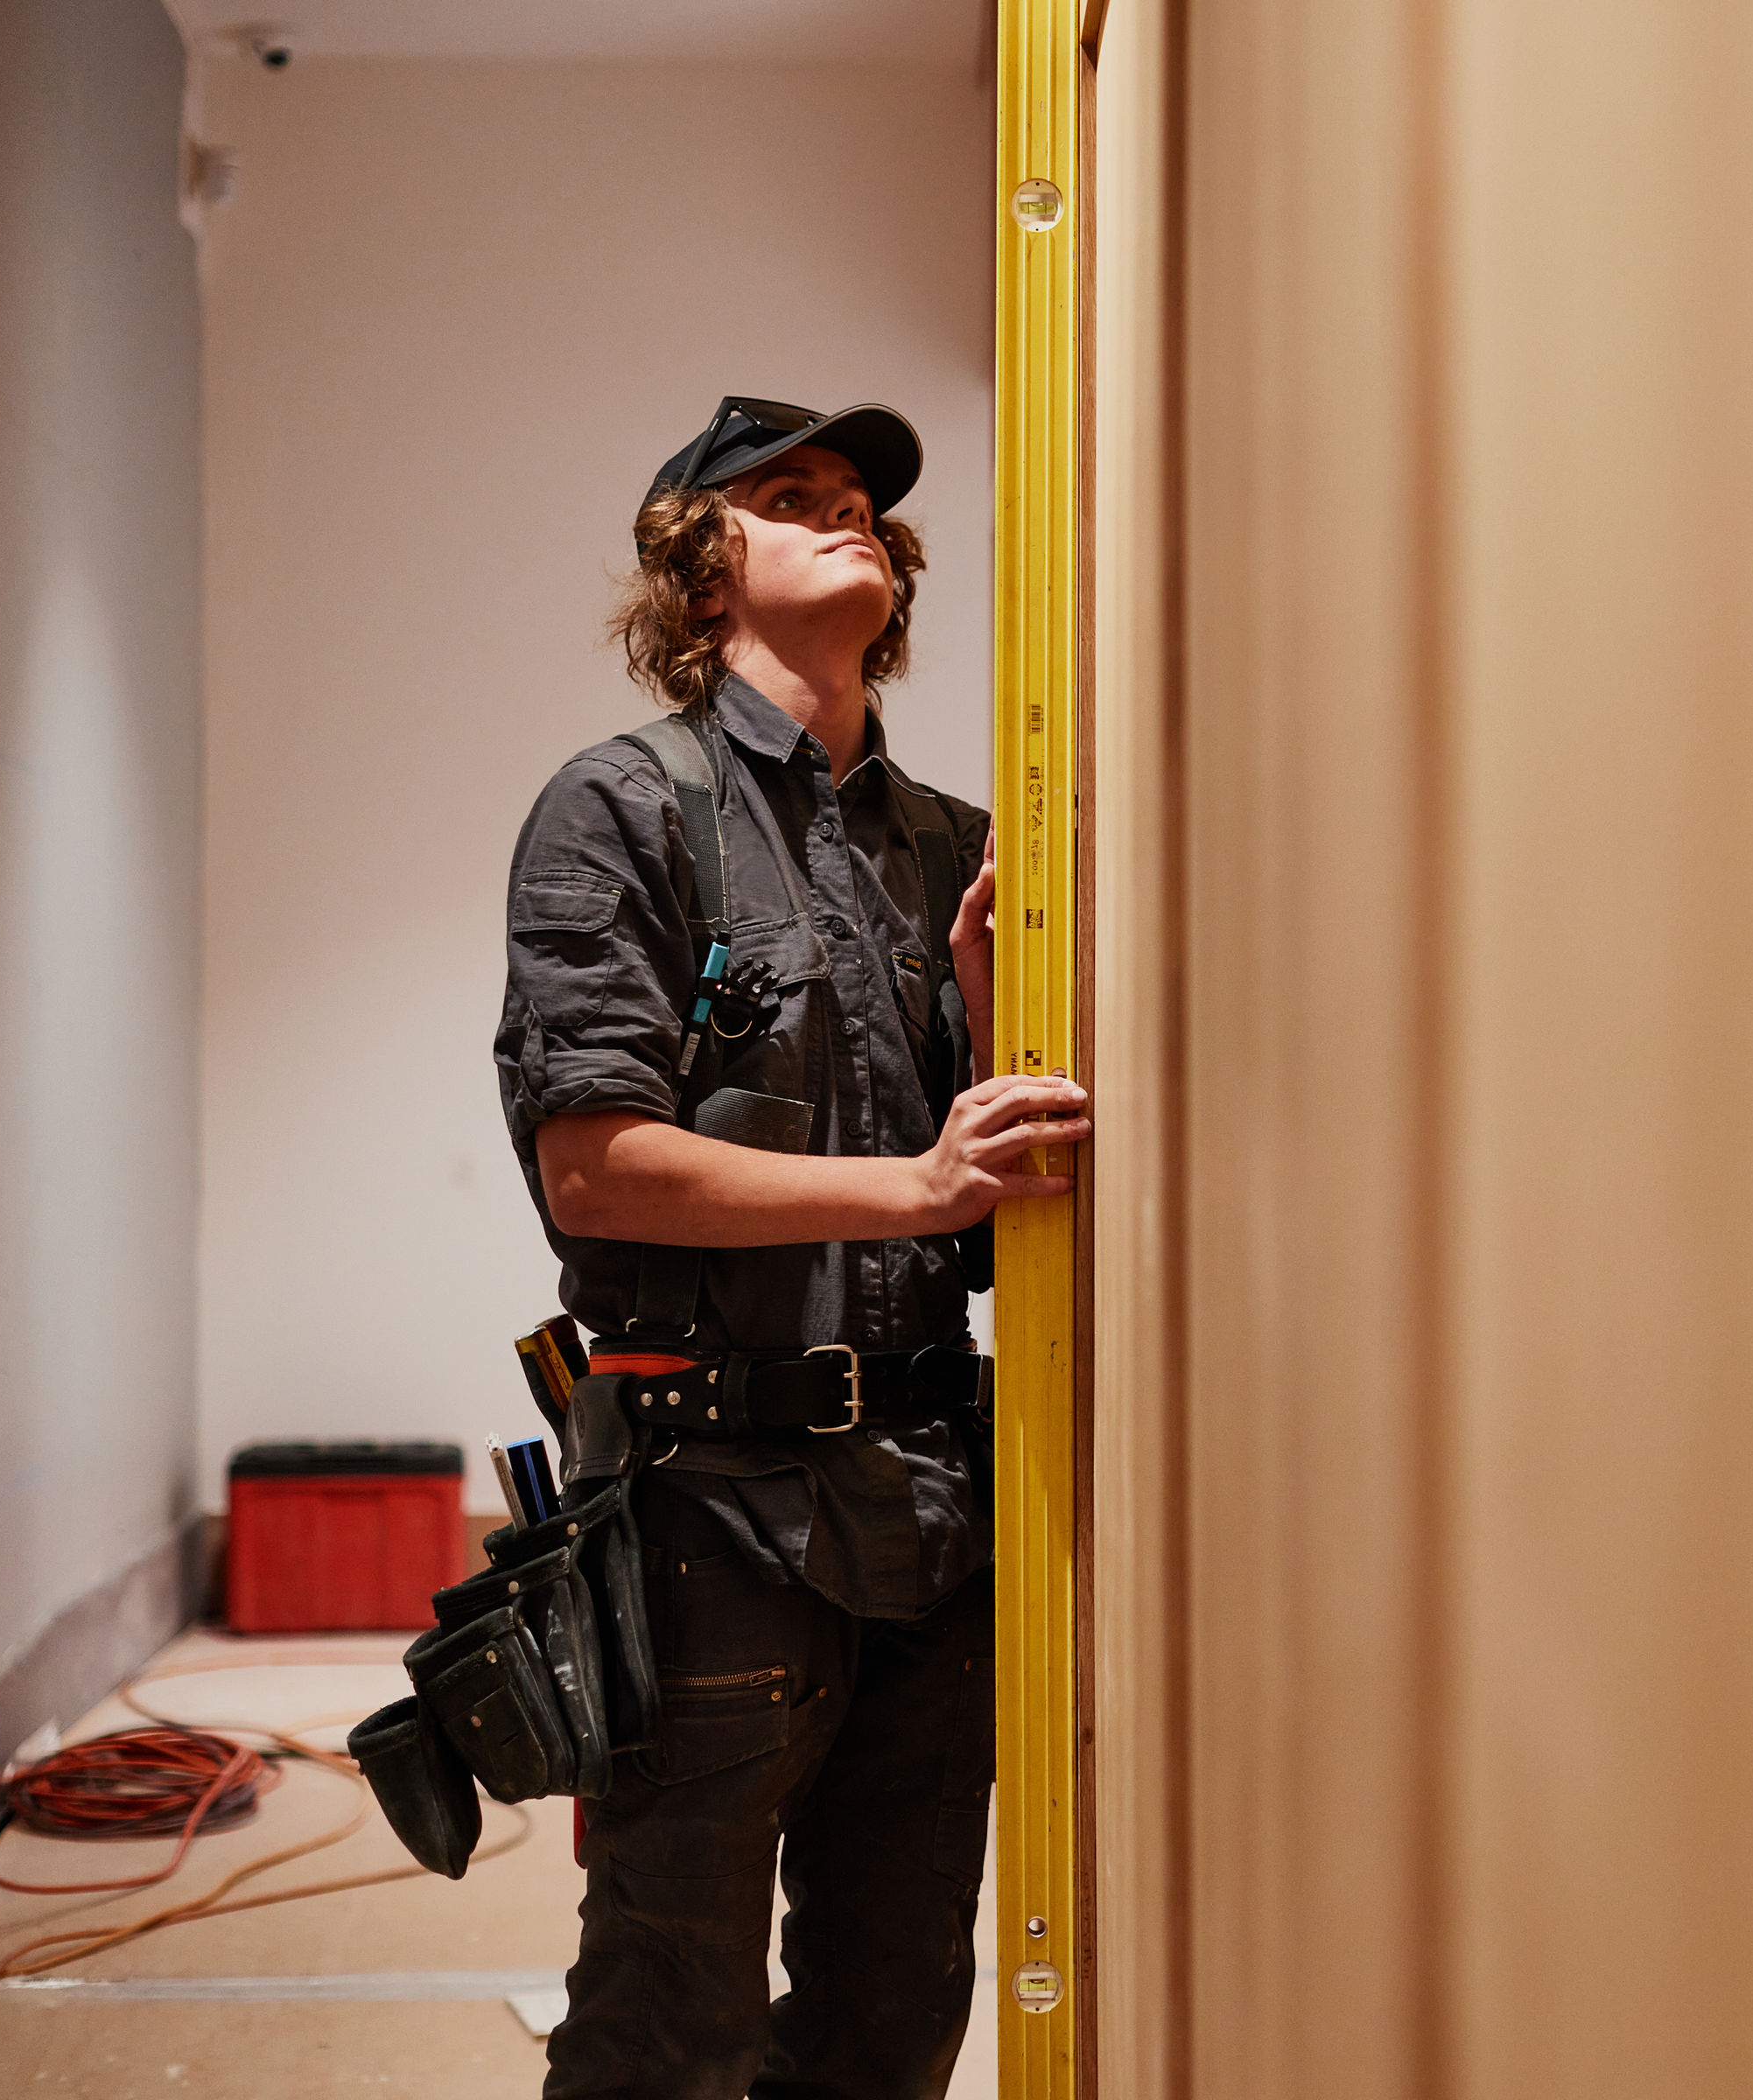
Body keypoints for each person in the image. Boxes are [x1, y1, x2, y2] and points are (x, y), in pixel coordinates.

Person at [494, 396, 1089, 2100]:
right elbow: (599, 1170)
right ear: (702, 578)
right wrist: (919, 1185)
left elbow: (1012, 1213)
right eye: (790, 495)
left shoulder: (964, 856)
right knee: (664, 2021)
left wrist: (983, 1024)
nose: (849, 517)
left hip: (936, 1515)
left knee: (892, 2019)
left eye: (862, 504)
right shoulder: (620, 815)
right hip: (711, 1514)